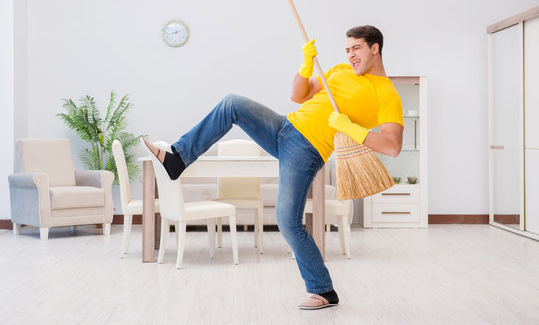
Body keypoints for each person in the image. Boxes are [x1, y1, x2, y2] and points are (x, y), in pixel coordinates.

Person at [143, 25, 404, 310]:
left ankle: (323, 290)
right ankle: (178, 158)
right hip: (284, 126)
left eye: (356, 49)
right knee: (232, 103)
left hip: (307, 151)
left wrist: (352, 129)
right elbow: (299, 95)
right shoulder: (340, 70)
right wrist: (305, 67)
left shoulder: (386, 93)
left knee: (287, 222)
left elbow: (392, 145)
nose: (350, 55)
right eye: (347, 49)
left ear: (374, 48)